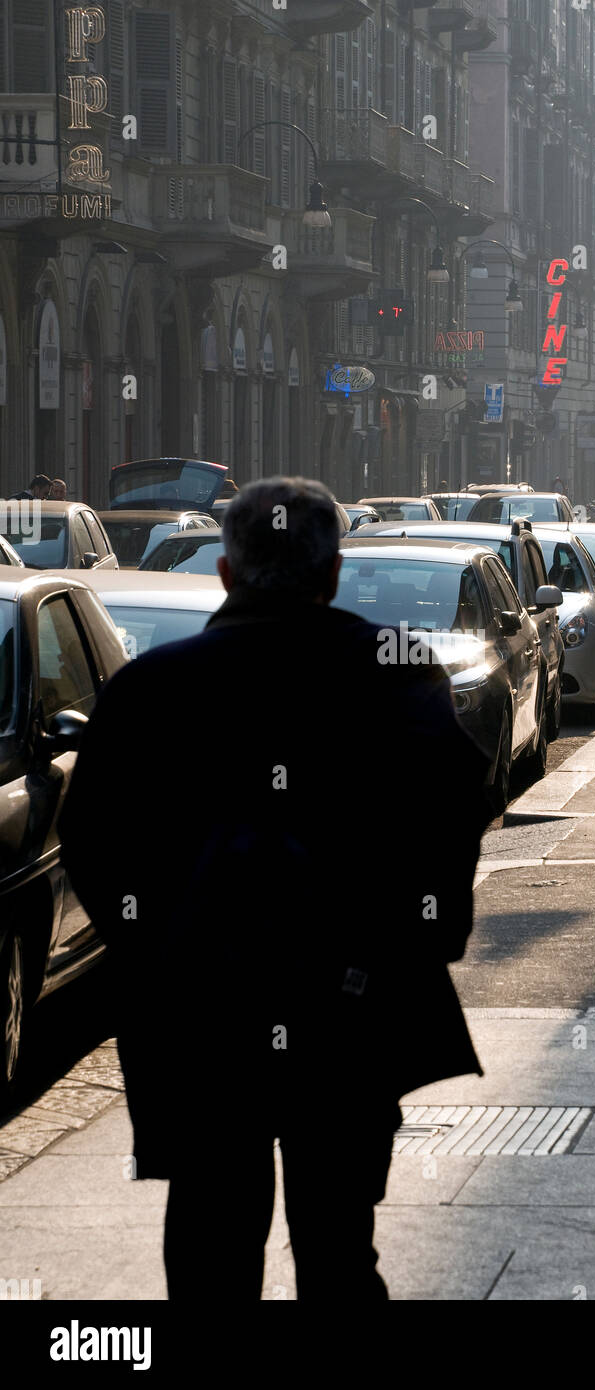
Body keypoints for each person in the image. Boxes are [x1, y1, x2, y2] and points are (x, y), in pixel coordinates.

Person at [59, 477, 491, 1303]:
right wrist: (422, 938)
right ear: (332, 576)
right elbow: (450, 813)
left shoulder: (152, 685)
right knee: (337, 1248)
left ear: (225, 573)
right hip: (352, 1003)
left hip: (198, 1005)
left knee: (212, 1245)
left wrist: (147, 941)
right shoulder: (393, 670)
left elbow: (92, 839)